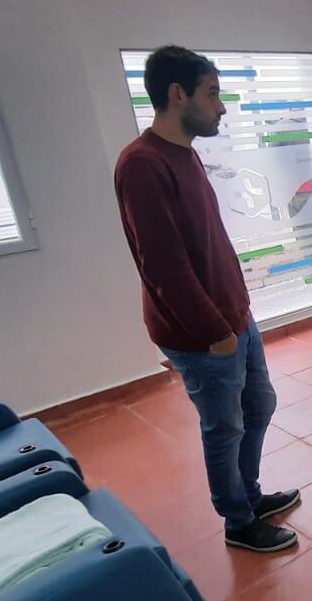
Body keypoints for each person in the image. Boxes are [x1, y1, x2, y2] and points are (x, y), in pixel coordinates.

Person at [114, 45, 299, 553]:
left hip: (234, 316)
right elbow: (164, 266)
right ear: (178, 94)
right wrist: (214, 330)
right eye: (212, 94)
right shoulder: (142, 165)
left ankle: (250, 495)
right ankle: (238, 522)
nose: (220, 107)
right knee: (224, 427)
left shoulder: (185, 153)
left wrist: (238, 310)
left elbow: (208, 241)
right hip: (202, 333)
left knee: (258, 405)